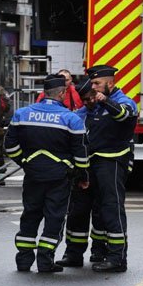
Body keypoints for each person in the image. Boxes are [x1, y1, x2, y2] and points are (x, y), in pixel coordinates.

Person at [4, 74, 89, 273]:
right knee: (55, 218)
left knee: (30, 215)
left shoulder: (22, 114)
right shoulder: (71, 119)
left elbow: (9, 146)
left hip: (33, 175)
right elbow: (81, 153)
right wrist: (82, 175)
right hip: (59, 177)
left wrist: (25, 162)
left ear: (44, 93)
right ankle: (45, 260)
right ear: (62, 93)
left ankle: (23, 261)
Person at [85, 64, 137, 273]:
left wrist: (106, 101)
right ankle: (98, 250)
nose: (94, 87)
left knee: (112, 207)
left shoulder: (125, 102)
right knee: (97, 209)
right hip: (94, 161)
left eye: (97, 83)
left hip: (112, 162)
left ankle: (117, 257)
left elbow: (123, 115)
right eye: (93, 84)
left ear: (110, 83)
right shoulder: (96, 104)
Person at [56, 79, 107, 268]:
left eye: (90, 98)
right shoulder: (78, 116)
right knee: (77, 213)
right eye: (84, 100)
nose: (87, 102)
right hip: (81, 171)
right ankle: (73, 254)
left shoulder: (109, 112)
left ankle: (99, 251)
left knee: (101, 213)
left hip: (103, 170)